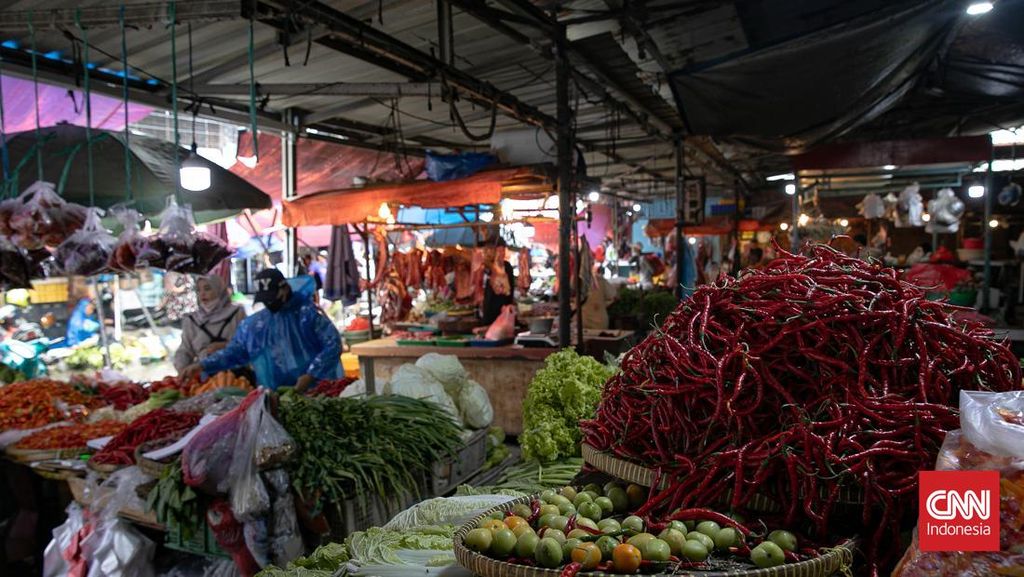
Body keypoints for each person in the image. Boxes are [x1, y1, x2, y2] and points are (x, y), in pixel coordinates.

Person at [182, 269, 341, 392]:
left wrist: (312, 374)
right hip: (276, 396)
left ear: (284, 289)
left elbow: (333, 344)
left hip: (319, 391)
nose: (269, 303)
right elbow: (236, 352)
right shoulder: (256, 324)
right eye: (265, 299)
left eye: (272, 297)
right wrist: (203, 365)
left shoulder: (309, 314)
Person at [173, 275, 246, 374]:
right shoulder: (191, 320)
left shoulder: (237, 313)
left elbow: (246, 344)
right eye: (198, 290)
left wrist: (225, 346)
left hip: (236, 373)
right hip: (203, 375)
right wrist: (182, 368)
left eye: (207, 289)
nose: (202, 294)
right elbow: (185, 349)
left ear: (218, 289)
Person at [481, 245, 516, 325]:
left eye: (503, 251)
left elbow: (511, 286)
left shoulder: (507, 266)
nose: (501, 253)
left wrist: (509, 303)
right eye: (499, 251)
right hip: (491, 304)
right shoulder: (489, 266)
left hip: (504, 303)